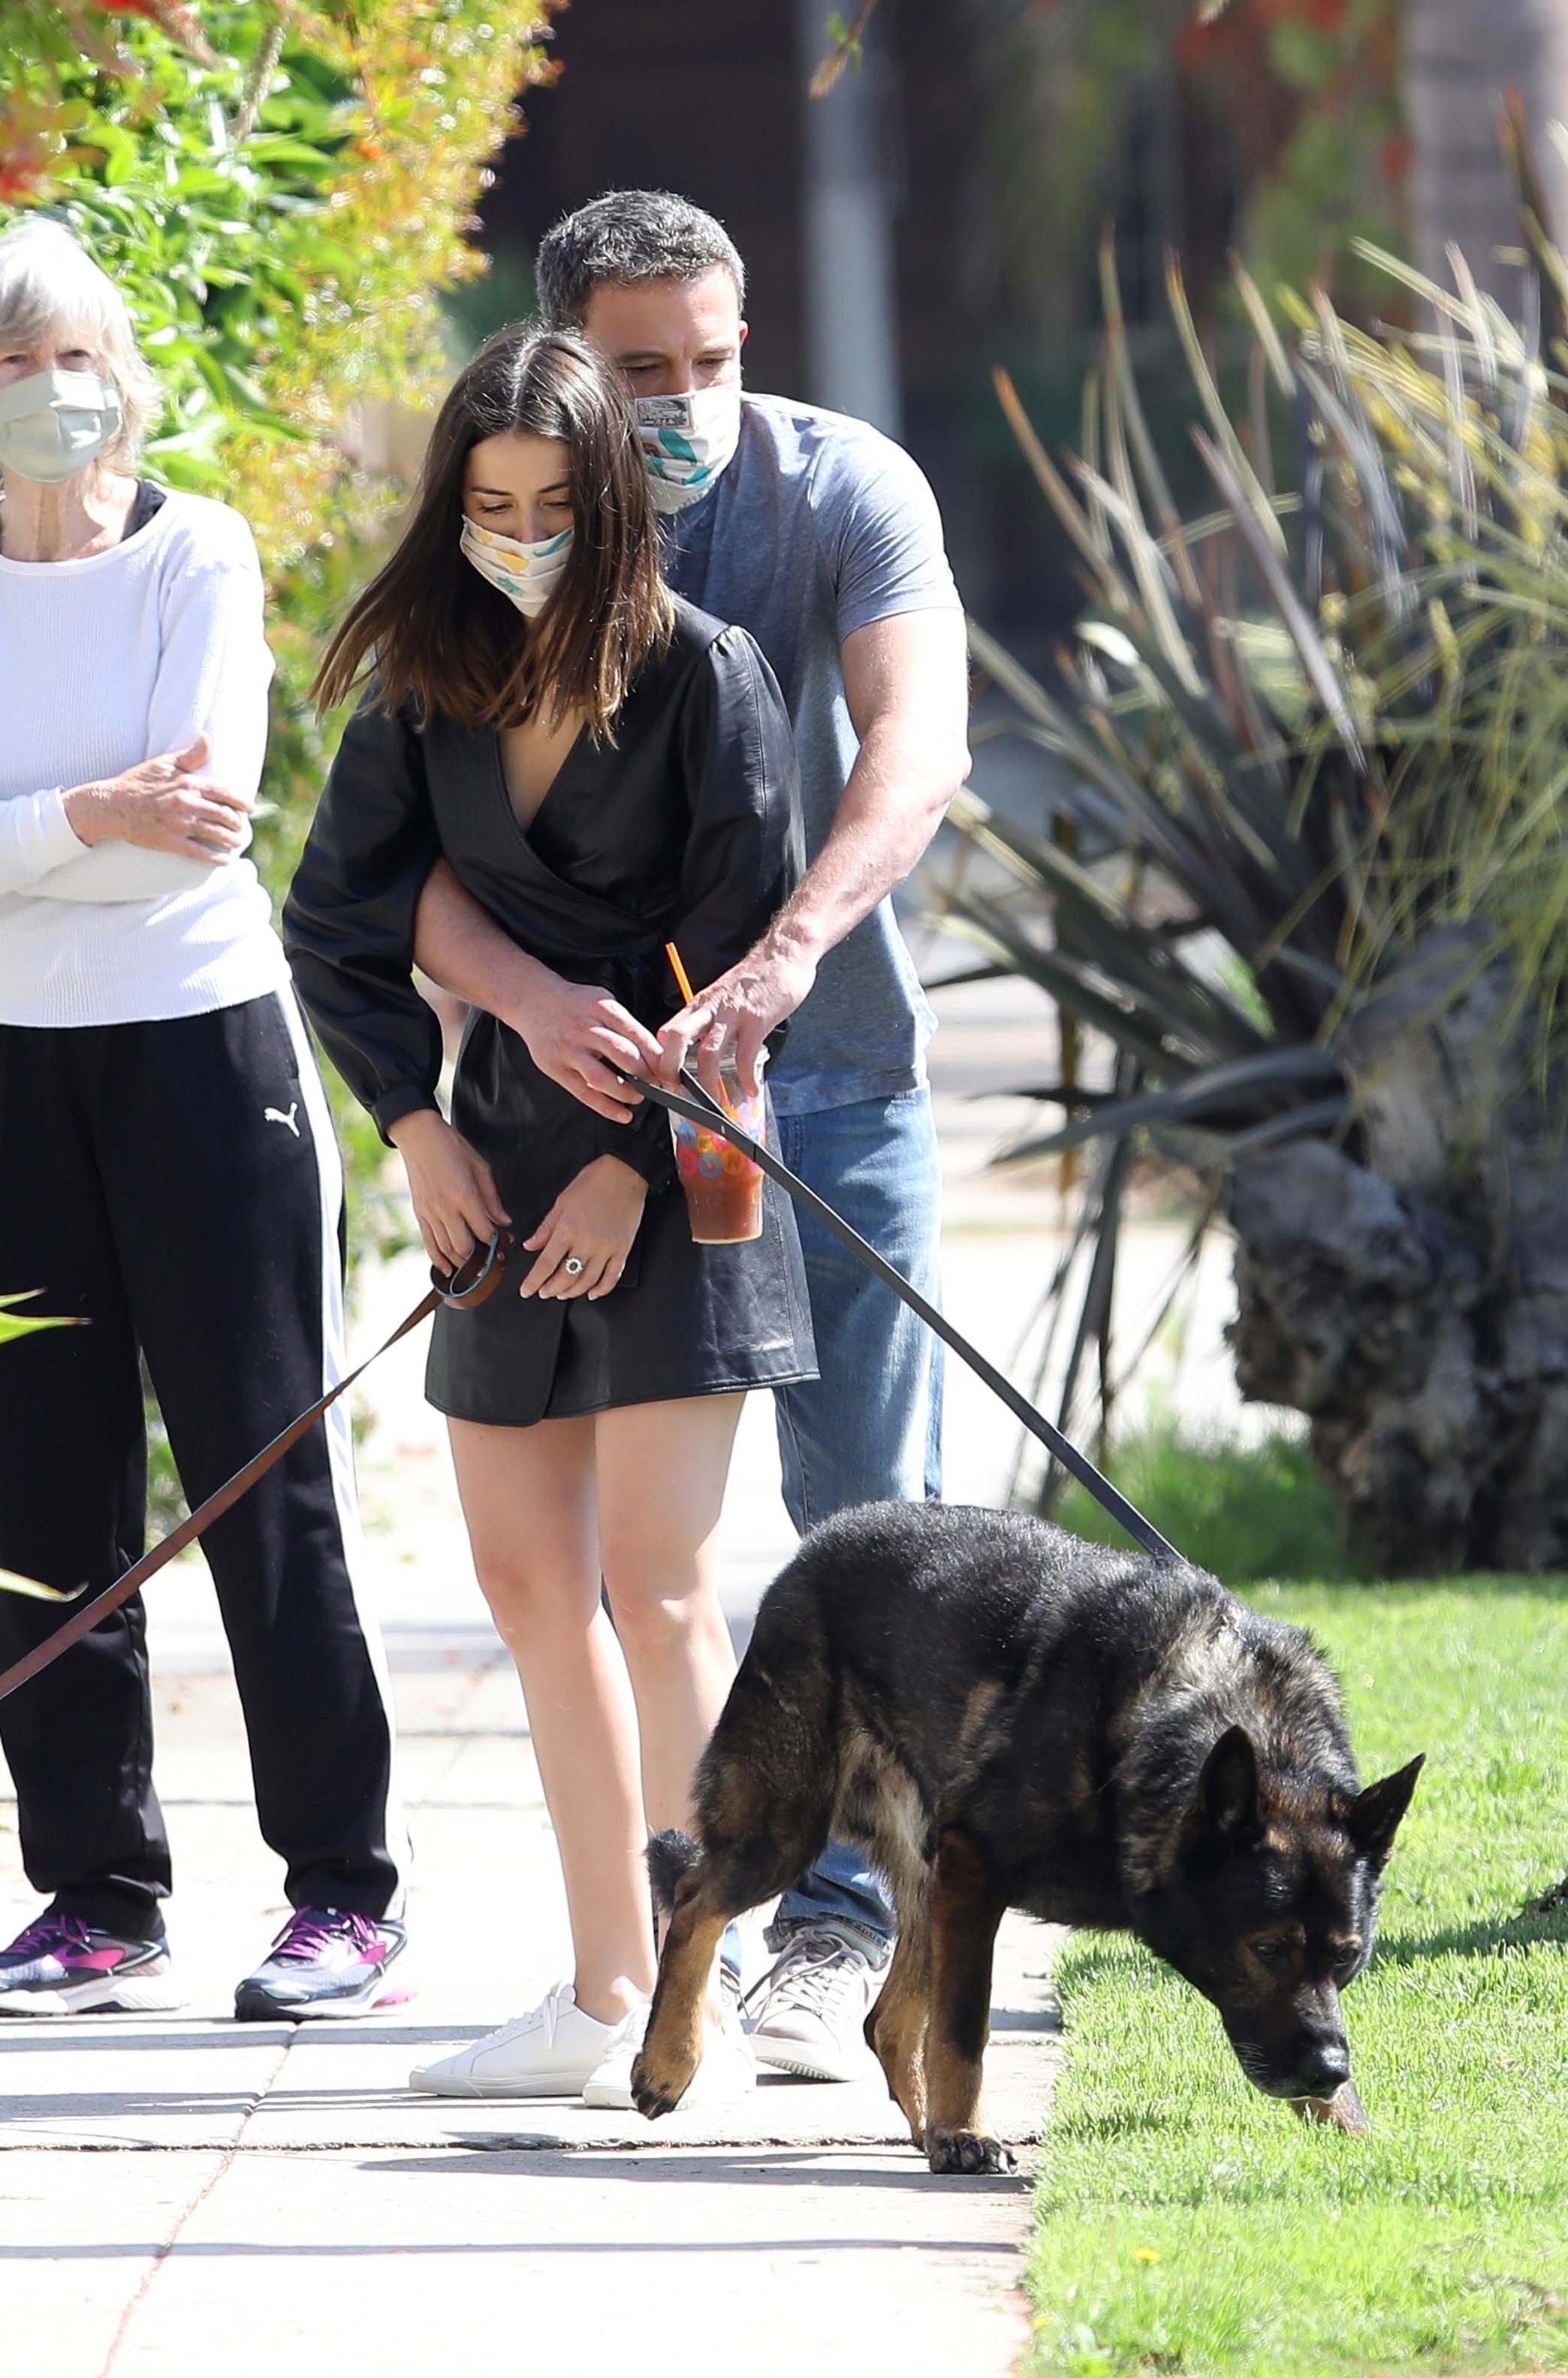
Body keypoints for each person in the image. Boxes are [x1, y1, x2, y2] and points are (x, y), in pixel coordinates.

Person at [408, 191, 971, 2082]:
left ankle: (849, 1932)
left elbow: (916, 738)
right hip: (595, 1107)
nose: (688, 401)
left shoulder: (839, 490)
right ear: (568, 358)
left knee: (872, 1520)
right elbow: (394, 847)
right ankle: (680, 1944)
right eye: (642, 370)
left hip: (824, 1076)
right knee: (653, 1562)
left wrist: (788, 960)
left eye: (716, 359)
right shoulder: (515, 518)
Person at [284, 323, 816, 2105]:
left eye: (553, 505)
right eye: (490, 503)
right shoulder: (426, 688)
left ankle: (697, 1993)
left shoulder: (707, 674)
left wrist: (630, 1161)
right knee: (529, 1585)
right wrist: (417, 1129)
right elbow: (338, 918)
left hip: (689, 1168)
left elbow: (747, 963)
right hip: (495, 1171)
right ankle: (597, 1992)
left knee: (657, 1585)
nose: (519, 533)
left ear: (613, 509)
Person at [0, 218, 409, 2021]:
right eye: (10, 366)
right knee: (36, 1486)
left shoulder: (201, 554)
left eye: (72, 355)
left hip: (202, 1055)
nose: (49, 396)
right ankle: (97, 1890)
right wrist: (95, 809)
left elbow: (213, 802)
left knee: (262, 1466)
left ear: (126, 374)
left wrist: (36, 828)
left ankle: (344, 1890)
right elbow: (136, 809)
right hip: (14, 1070)